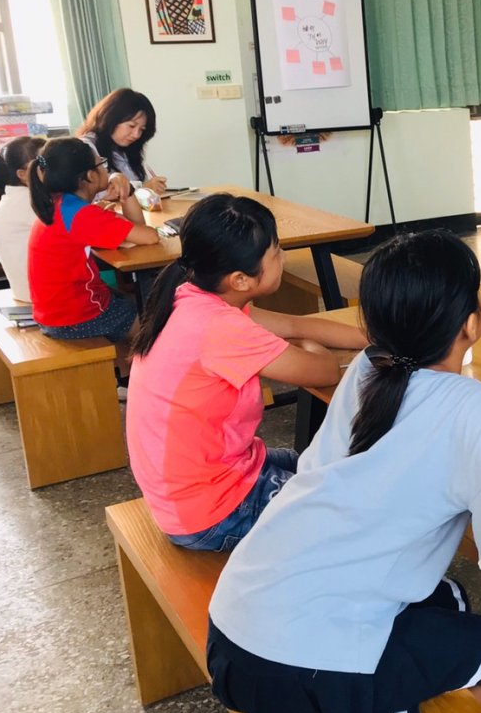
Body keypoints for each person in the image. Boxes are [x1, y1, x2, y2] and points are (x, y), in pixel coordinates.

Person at [205, 230, 481, 713]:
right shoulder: (469, 404)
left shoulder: (368, 367)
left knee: (449, 600)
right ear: (471, 322)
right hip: (298, 668)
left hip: (233, 628)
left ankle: (417, 700)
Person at [126, 193, 367, 551]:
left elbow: (295, 325)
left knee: (320, 465)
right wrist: (306, 348)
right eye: (276, 252)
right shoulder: (220, 329)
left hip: (195, 485)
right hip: (211, 512)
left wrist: (372, 336)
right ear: (240, 280)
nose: (283, 257)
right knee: (352, 507)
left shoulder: (192, 298)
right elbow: (326, 371)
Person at [26, 138, 159, 342]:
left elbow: (135, 228)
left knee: (130, 300)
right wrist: (128, 190)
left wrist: (126, 190)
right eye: (102, 164)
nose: (106, 169)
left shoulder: (61, 204)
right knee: (154, 325)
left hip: (53, 312)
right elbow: (150, 236)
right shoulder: (82, 215)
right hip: (76, 317)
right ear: (90, 176)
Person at [76, 88, 168, 199]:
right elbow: (90, 196)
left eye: (141, 129)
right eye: (131, 126)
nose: (136, 135)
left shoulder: (126, 149)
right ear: (111, 118)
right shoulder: (85, 147)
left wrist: (151, 189)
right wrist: (142, 189)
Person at [0, 136, 44, 302]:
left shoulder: (15, 197)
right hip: (40, 296)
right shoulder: (28, 201)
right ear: (22, 174)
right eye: (44, 163)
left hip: (25, 292)